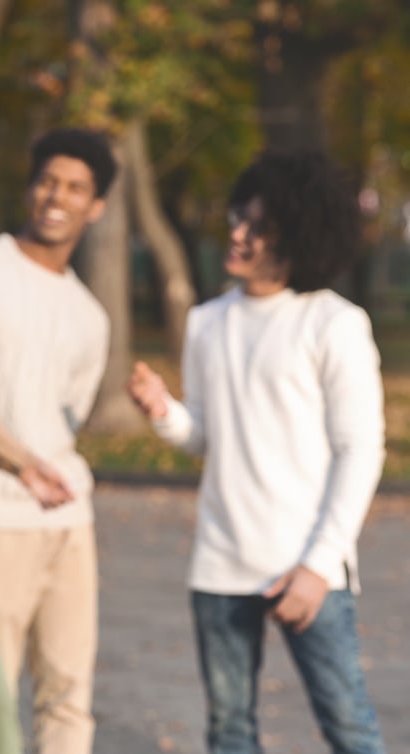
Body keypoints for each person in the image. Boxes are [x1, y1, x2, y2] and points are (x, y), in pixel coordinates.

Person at [127, 149, 386, 754]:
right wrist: (164, 411)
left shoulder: (332, 323)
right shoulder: (206, 323)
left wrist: (319, 567)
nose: (238, 233)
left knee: (349, 729)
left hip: (306, 566)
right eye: (237, 217)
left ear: (297, 235)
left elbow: (361, 450)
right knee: (230, 731)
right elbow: (209, 439)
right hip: (220, 562)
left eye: (258, 225)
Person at [0, 127, 118, 754]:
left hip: (70, 519)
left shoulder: (91, 315)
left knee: (69, 695)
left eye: (74, 188)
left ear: (95, 208)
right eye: (47, 181)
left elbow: (71, 416)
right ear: (29, 186)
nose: (55, 196)